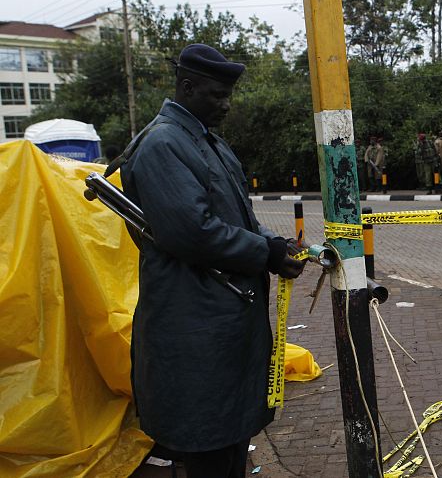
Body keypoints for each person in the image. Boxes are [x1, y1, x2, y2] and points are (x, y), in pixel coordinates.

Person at [119, 43, 305, 478]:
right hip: (196, 325)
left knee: (229, 441)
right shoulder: (163, 144)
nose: (226, 105)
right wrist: (266, 253)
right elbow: (194, 232)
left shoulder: (207, 141)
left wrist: (274, 245)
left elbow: (237, 216)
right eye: (216, 95)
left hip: (223, 321)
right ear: (187, 87)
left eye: (228, 95)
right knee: (207, 445)